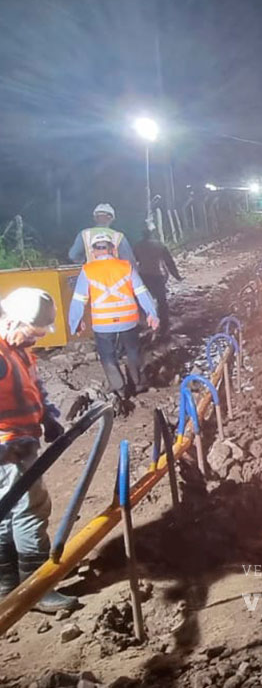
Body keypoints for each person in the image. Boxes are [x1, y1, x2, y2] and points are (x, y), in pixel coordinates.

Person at [0, 288, 79, 611]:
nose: (33, 340)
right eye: (31, 333)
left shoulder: (17, 349)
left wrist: (47, 416)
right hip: (8, 447)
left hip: (22, 440)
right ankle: (36, 588)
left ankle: (8, 585)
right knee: (30, 511)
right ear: (12, 321)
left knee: (6, 513)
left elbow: (32, 386)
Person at [68, 233, 160, 401]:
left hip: (103, 323)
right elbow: (141, 291)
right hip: (128, 320)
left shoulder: (88, 270)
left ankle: (119, 388)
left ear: (94, 251)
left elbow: (79, 299)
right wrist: (151, 313)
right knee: (133, 352)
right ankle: (138, 383)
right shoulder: (125, 266)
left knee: (107, 356)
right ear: (113, 249)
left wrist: (75, 322)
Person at [134, 227, 183, 336]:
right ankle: (164, 326)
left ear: (142, 234)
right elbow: (169, 262)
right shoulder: (159, 245)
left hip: (144, 276)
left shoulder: (137, 246)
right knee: (162, 301)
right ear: (152, 233)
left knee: (144, 300)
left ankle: (145, 323)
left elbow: (134, 261)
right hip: (157, 275)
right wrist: (177, 276)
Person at [68, 203, 136, 264]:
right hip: (114, 276)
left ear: (95, 218)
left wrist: (85, 261)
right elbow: (128, 260)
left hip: (91, 274)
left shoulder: (84, 234)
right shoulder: (119, 236)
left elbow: (73, 256)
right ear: (112, 219)